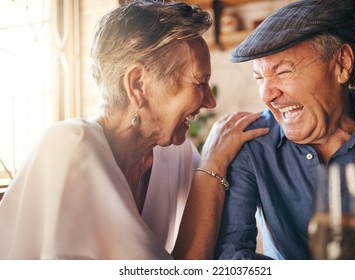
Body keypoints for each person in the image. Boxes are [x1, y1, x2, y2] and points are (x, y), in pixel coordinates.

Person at [0, 0, 268, 259]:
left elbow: (215, 236)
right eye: (200, 83)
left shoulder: (177, 155)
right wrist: (214, 161)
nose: (210, 101)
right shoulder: (69, 146)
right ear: (138, 85)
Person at [215, 0, 355, 260]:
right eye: (259, 78)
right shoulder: (252, 144)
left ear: (342, 63)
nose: (267, 95)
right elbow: (231, 257)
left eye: (283, 71)